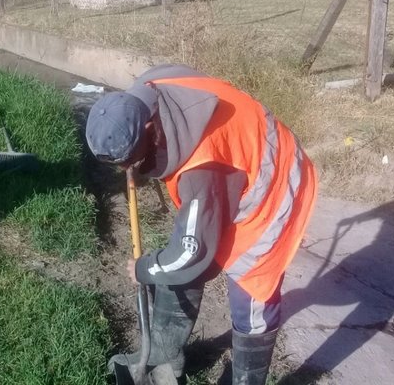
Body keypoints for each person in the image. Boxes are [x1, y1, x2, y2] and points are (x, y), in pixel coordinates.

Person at [85, 64, 317, 385]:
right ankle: (161, 359)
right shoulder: (151, 87)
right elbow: (188, 249)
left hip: (274, 183)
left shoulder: (201, 171)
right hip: (234, 166)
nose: (128, 170)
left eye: (131, 161)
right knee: (174, 262)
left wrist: (145, 269)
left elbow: (192, 252)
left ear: (150, 127)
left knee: (250, 297)